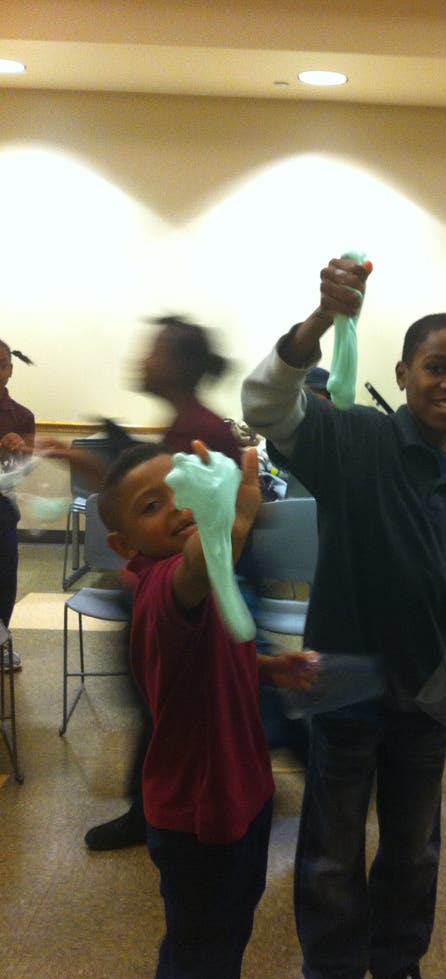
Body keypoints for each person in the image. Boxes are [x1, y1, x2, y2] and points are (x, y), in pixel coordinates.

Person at [241, 256, 446, 979]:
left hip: (425, 692)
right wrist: (322, 319)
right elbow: (264, 402)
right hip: (345, 685)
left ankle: (399, 968)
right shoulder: (354, 439)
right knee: (329, 845)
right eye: (438, 368)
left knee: (415, 847)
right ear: (403, 370)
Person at [97, 439, 316, 979]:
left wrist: (268, 667)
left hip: (240, 796)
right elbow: (196, 571)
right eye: (150, 507)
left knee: (222, 940)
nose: (175, 508)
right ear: (124, 545)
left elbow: (211, 654)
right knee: (197, 959)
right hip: (199, 816)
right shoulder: (165, 586)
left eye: (181, 491)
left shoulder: (205, 585)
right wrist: (233, 521)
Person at [71, 315, 244, 851]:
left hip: (204, 593)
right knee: (166, 702)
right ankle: (150, 808)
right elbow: (139, 503)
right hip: (174, 591)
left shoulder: (203, 432)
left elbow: (210, 525)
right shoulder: (182, 426)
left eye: (155, 351)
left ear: (178, 365)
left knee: (181, 704)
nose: (143, 360)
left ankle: (156, 811)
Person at [0, 338, 35, 671]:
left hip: (1, 511)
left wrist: (18, 453)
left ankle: (1, 644)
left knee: (4, 579)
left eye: (0, 364)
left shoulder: (22, 417)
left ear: (10, 370)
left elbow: (22, 474)